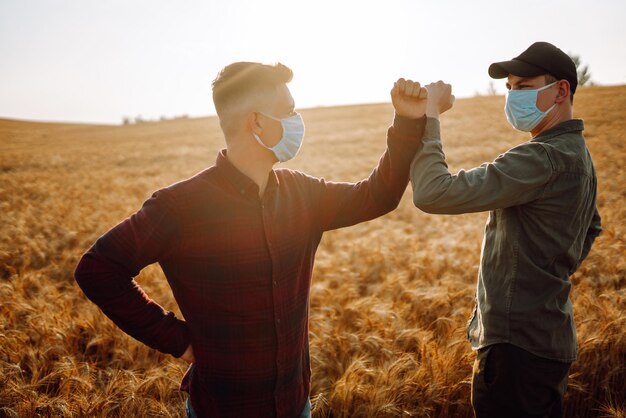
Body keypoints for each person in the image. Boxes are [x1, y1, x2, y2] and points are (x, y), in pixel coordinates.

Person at [74, 62, 429, 418]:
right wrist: (177, 339)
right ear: (257, 122)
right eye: (289, 112)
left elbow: (377, 196)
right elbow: (98, 269)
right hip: (222, 409)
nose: (297, 121)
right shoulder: (181, 206)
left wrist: (408, 121)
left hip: (295, 404)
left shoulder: (302, 193)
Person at [409, 42, 602, 417]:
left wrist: (430, 115)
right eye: (509, 87)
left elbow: (433, 192)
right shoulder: (577, 154)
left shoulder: (542, 157)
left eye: (525, 86)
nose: (513, 96)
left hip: (516, 351)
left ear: (561, 91)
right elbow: (590, 227)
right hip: (545, 341)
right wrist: (545, 273)